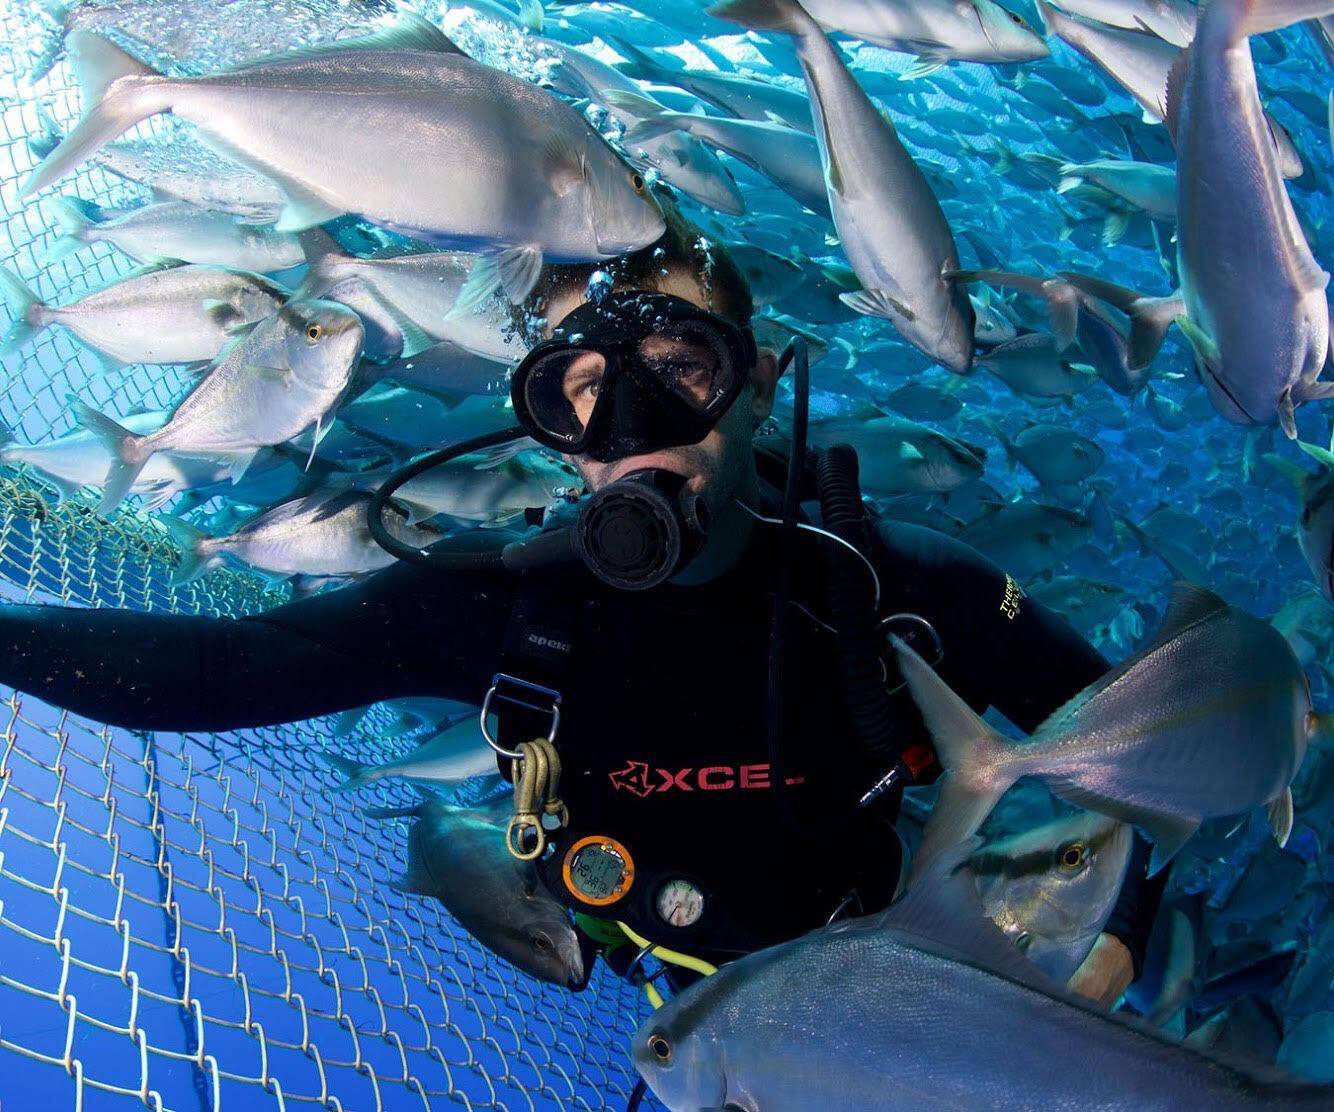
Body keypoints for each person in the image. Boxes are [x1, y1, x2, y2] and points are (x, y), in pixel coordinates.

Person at [0, 201, 1161, 1004]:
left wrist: (1109, 953)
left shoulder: (901, 588)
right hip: (670, 991)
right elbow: (219, 672)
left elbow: (1151, 755)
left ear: (758, 382)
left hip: (879, 958)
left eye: (682, 371)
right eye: (585, 391)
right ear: (550, 431)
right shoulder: (501, 605)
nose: (633, 430)